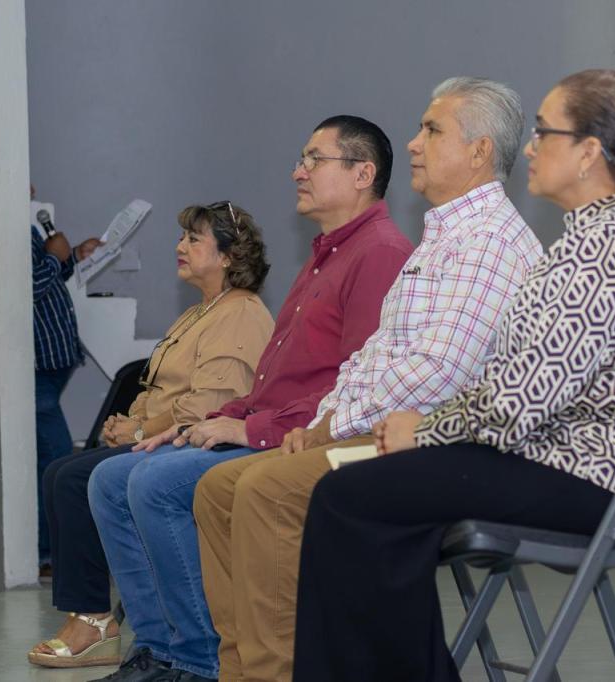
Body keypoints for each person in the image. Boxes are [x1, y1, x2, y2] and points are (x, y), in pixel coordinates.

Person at [291, 69, 615, 682]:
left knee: (349, 498)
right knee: (364, 499)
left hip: (595, 478)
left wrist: (424, 430)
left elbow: (515, 405)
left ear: (589, 152)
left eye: (545, 132)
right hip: (581, 465)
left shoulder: (605, 248)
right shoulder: (608, 234)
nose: (530, 147)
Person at [193, 77, 544, 682]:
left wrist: (333, 426)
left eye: (432, 130)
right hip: (383, 430)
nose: (412, 143)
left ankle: (278, 674)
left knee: (267, 490)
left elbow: (439, 373)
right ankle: (241, 672)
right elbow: (373, 356)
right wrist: (325, 417)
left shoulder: (488, 243)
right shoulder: (445, 237)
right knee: (218, 489)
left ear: (479, 151)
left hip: (433, 445)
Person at [87, 115, 414, 682]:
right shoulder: (325, 255)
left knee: (156, 483)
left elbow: (356, 389)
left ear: (363, 174)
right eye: (301, 160)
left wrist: (251, 429)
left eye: (314, 160)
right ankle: (160, 647)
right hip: (271, 421)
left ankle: (196, 660)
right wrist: (215, 419)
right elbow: (272, 382)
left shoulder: (380, 253)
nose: (298, 172)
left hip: (308, 438)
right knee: (110, 479)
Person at [28, 202, 274, 669]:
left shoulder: (240, 313)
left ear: (228, 256)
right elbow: (157, 386)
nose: (180, 246)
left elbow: (209, 406)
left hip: (204, 442)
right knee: (62, 470)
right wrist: (127, 422)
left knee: (75, 479)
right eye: (182, 237)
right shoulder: (198, 312)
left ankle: (99, 620)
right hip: (167, 436)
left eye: (194, 239)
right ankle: (111, 623)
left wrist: (138, 430)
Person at [31, 185, 102, 571]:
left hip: (53, 365)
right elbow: (27, 287)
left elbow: (48, 276)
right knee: (56, 461)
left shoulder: (28, 227)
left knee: (50, 459)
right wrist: (55, 258)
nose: (31, 189)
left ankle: (50, 551)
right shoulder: (8, 230)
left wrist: (72, 256)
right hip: (37, 370)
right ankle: (48, 554)